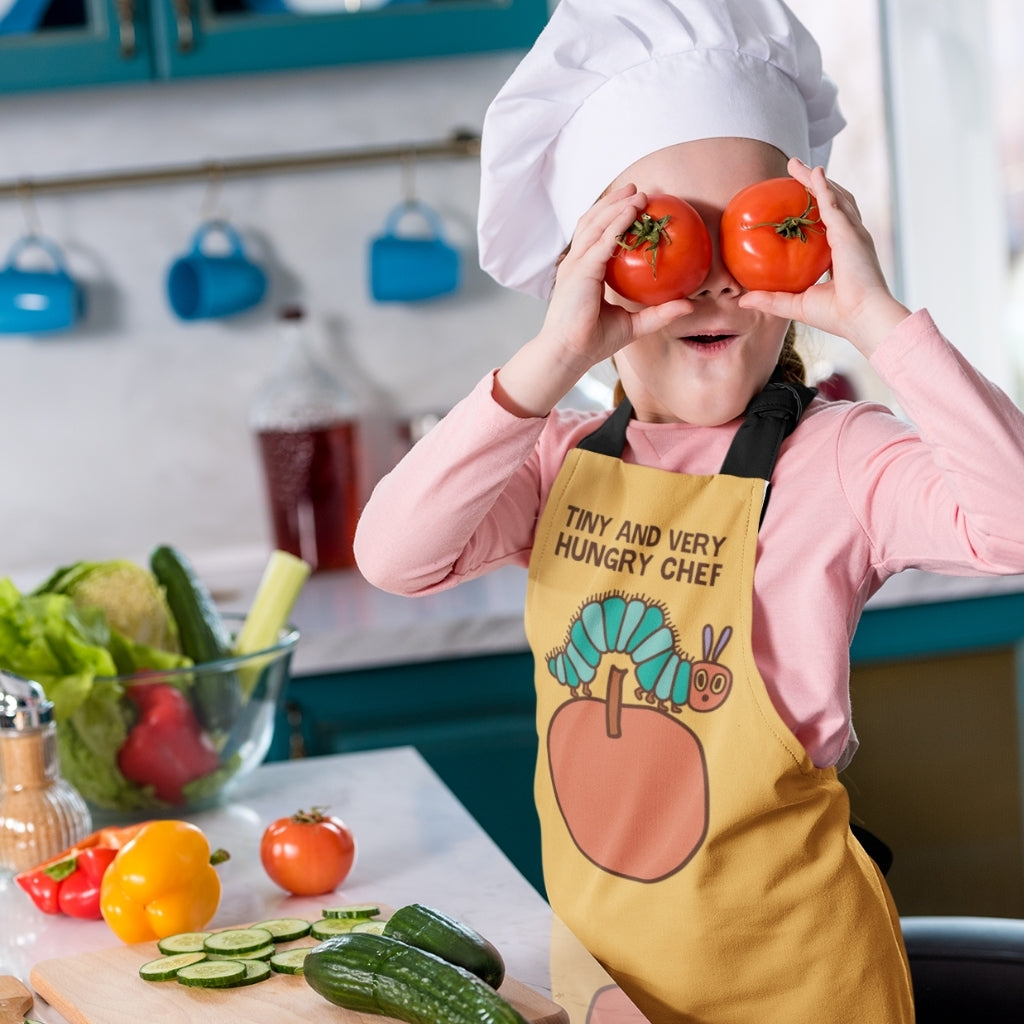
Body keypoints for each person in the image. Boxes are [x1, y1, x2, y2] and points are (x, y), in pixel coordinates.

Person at [354, 1, 1024, 1020]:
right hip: (612, 987)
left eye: (752, 235)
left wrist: (876, 319)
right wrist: (552, 357)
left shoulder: (837, 459)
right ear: (587, 271)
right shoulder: (552, 460)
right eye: (660, 236)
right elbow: (393, 554)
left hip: (804, 990)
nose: (709, 278)